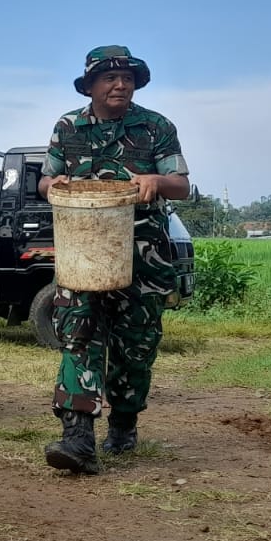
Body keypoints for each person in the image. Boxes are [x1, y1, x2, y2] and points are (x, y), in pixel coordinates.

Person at [36, 46, 191, 475]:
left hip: (143, 256)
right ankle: (78, 437)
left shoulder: (156, 127)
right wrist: (54, 184)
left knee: (134, 348)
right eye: (108, 77)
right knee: (78, 336)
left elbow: (182, 186)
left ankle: (124, 423)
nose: (119, 83)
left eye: (126, 76)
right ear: (89, 86)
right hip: (83, 250)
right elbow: (46, 179)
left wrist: (155, 180)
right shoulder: (67, 127)